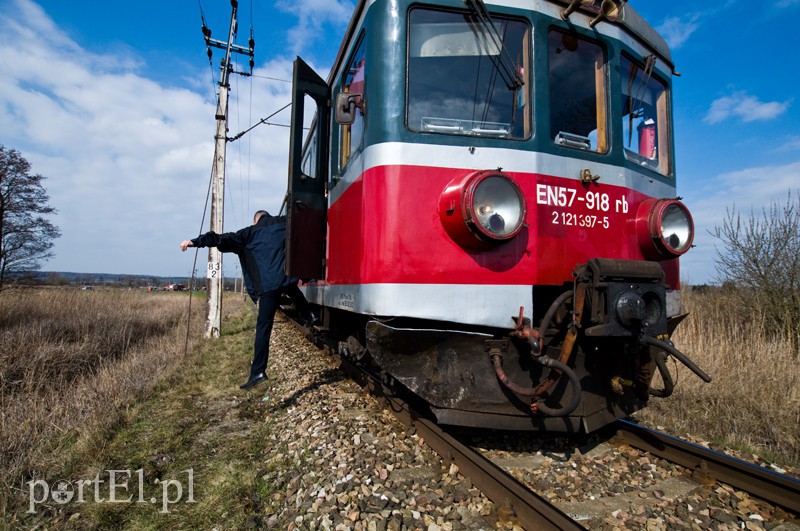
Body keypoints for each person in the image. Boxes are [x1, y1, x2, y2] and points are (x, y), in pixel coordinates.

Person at [180, 210, 315, 390]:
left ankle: (258, 372)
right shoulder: (283, 223)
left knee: (263, 329)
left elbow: (220, 238)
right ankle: (310, 315)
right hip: (285, 280)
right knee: (291, 288)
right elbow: (304, 223)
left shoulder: (248, 234)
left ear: (255, 221)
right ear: (268, 216)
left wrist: (195, 242)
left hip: (267, 288)